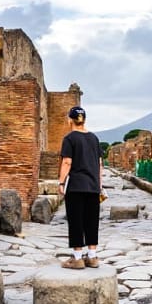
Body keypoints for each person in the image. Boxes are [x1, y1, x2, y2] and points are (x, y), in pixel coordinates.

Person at [58, 106, 102, 269]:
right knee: (92, 221)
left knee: (76, 221)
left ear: (70, 120)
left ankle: (77, 258)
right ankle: (92, 256)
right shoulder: (94, 138)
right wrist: (99, 184)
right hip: (93, 186)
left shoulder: (69, 138)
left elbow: (67, 161)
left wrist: (61, 182)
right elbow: (99, 164)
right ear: (84, 120)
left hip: (76, 186)